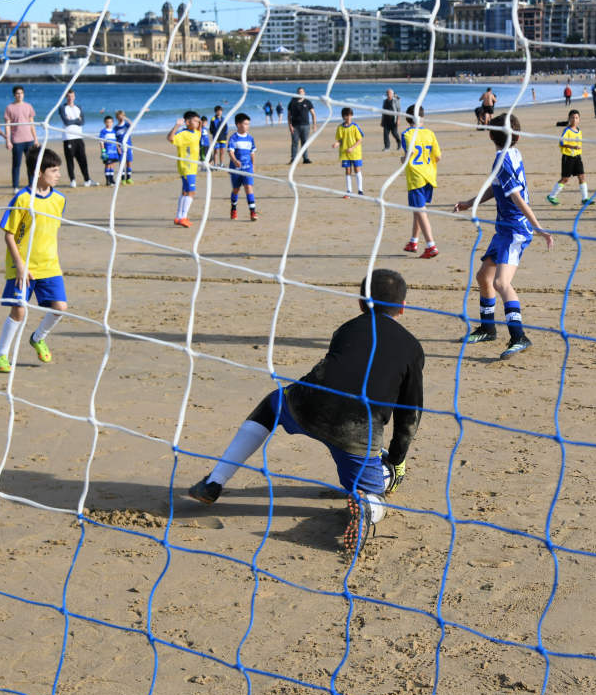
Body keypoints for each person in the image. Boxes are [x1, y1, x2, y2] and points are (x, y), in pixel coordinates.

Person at [186, 268, 424, 556]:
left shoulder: (348, 328)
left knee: (271, 405)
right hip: (357, 429)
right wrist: (397, 461)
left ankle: (214, 481)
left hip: (307, 403)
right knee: (376, 492)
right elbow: (409, 415)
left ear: (360, 303)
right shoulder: (412, 347)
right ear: (403, 307)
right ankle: (367, 506)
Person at [454, 113, 554, 360]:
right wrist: (470, 202)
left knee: (501, 283)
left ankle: (519, 337)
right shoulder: (513, 153)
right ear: (517, 136)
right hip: (504, 229)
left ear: (490, 135)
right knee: (483, 277)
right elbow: (498, 186)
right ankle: (488, 329)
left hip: (516, 231)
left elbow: (518, 197)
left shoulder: (502, 160)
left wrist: (538, 227)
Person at [0, 149, 67, 374]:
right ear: (39, 172)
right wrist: (20, 265)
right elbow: (9, 234)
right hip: (22, 267)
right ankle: (0, 356)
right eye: (54, 170)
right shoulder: (22, 199)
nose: (58, 175)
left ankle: (38, 337)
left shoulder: (60, 199)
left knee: (60, 308)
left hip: (50, 265)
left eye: (58, 170)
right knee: (19, 311)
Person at [400, 104, 440, 259]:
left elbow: (409, 155)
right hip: (430, 175)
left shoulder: (407, 134)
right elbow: (438, 157)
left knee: (421, 210)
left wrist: (403, 159)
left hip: (416, 177)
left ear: (407, 119)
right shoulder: (430, 133)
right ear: (423, 117)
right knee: (418, 208)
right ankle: (413, 241)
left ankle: (431, 245)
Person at [547, 109, 592, 206]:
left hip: (577, 157)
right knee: (565, 179)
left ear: (579, 119)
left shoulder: (579, 131)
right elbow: (562, 143)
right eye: (572, 118)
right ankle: (552, 196)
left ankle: (585, 198)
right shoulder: (567, 130)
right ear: (569, 119)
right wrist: (573, 147)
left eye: (576, 118)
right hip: (568, 158)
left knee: (582, 176)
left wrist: (577, 150)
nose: (574, 120)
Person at [167, 110, 203, 228]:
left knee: (185, 192)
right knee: (191, 192)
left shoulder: (196, 133)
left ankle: (179, 217)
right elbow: (170, 138)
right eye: (195, 121)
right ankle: (183, 217)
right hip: (186, 167)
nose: (197, 123)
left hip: (192, 167)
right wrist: (177, 125)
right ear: (187, 122)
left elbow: (199, 131)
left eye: (198, 121)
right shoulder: (183, 133)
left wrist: (200, 123)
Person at [3, 85, 40, 187]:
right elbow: (7, 126)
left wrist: (36, 139)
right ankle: (15, 186)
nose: (20, 95)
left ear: (24, 94)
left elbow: (32, 124)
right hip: (17, 140)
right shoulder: (9, 107)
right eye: (17, 93)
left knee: (31, 164)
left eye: (21, 93)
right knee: (16, 165)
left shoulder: (28, 106)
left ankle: (32, 185)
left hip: (29, 140)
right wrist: (8, 140)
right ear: (14, 95)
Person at [56, 88, 93, 188]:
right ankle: (72, 180)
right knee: (70, 160)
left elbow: (82, 122)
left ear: (74, 97)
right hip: (68, 137)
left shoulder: (78, 107)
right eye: (68, 96)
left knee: (83, 159)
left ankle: (87, 179)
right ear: (66, 97)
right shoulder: (62, 108)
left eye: (72, 96)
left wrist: (74, 120)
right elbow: (66, 122)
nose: (70, 98)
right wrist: (77, 120)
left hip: (79, 136)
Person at [227, 113, 259, 220]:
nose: (247, 126)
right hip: (236, 169)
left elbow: (252, 152)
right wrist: (235, 160)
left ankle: (253, 212)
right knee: (236, 190)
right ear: (238, 124)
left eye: (248, 124)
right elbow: (230, 151)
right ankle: (233, 208)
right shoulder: (233, 138)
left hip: (247, 168)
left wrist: (253, 165)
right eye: (245, 124)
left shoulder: (250, 138)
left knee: (248, 187)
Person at [334, 107, 365, 197]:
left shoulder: (355, 126)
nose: (348, 117)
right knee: (347, 171)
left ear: (351, 115)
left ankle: (360, 190)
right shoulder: (340, 127)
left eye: (349, 115)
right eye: (346, 115)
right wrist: (337, 143)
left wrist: (352, 148)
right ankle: (349, 191)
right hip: (344, 153)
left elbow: (360, 139)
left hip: (355, 153)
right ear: (343, 117)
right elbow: (340, 140)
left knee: (357, 169)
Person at [287, 87, 315, 164]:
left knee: (304, 142)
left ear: (304, 93)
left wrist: (314, 125)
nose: (300, 93)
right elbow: (289, 115)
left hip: (305, 125)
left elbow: (313, 114)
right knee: (294, 143)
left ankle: (305, 158)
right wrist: (290, 125)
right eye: (299, 92)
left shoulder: (308, 102)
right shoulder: (292, 102)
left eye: (302, 92)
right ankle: (293, 159)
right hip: (295, 126)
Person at [98, 114, 121, 185]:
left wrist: (118, 148)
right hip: (107, 151)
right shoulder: (103, 131)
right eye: (107, 122)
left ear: (112, 122)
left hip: (114, 151)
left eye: (110, 122)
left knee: (113, 165)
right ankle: (107, 180)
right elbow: (101, 142)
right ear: (105, 122)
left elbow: (116, 141)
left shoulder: (113, 131)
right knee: (108, 164)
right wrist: (103, 151)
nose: (109, 123)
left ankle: (112, 179)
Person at [113, 109, 134, 184]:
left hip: (128, 146)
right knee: (121, 163)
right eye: (119, 116)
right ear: (117, 118)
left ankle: (128, 178)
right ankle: (122, 179)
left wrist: (126, 118)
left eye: (122, 116)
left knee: (129, 162)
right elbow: (114, 139)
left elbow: (132, 125)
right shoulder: (115, 128)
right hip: (120, 148)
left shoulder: (126, 125)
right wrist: (117, 147)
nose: (120, 118)